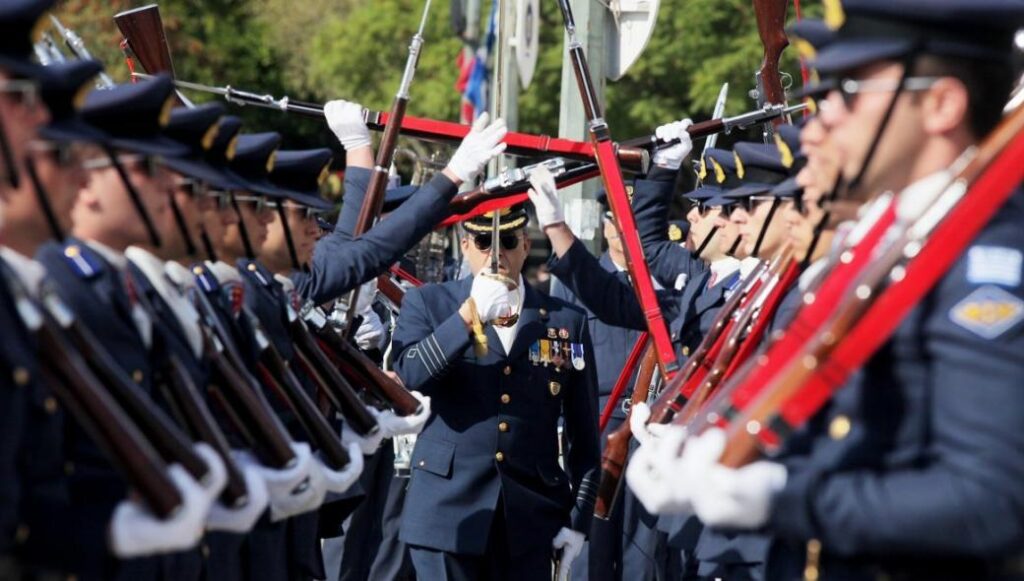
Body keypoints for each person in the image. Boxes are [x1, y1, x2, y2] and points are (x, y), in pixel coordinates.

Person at [673, 2, 1024, 579]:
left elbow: (989, 500)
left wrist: (784, 496)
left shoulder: (982, 261)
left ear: (942, 104)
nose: (823, 119)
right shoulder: (898, 245)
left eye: (851, 89)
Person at [391, 202, 600, 580]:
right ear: (466, 244)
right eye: (484, 241)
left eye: (507, 241)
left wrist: (578, 518)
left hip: (528, 518)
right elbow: (411, 374)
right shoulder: (430, 303)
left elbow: (584, 436)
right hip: (446, 511)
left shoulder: (565, 320)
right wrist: (466, 319)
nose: (495, 254)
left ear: (525, 245)